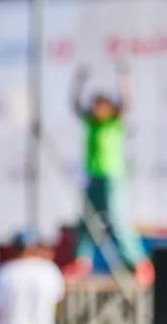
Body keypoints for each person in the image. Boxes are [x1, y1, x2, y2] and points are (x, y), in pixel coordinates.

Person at [64, 63, 154, 287]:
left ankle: (139, 263)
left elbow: (127, 102)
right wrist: (79, 82)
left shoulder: (114, 123)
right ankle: (82, 261)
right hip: (93, 177)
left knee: (117, 220)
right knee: (86, 220)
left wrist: (124, 77)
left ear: (110, 108)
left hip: (113, 177)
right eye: (95, 106)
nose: (98, 110)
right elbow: (75, 105)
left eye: (102, 106)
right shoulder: (91, 123)